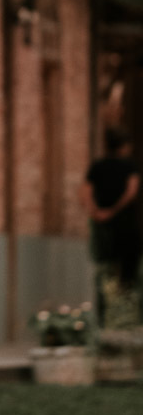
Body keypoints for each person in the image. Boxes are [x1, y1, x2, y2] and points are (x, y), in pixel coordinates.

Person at [82, 127, 141, 326]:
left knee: (103, 268)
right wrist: (115, 211)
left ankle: (104, 315)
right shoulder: (129, 167)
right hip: (122, 223)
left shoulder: (97, 166)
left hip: (101, 223)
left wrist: (96, 212)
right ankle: (128, 314)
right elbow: (132, 190)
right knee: (127, 269)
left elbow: (86, 191)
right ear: (124, 147)